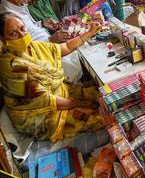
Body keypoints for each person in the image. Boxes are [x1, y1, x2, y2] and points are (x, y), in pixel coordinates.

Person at [0, 12, 104, 143]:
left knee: (101, 93)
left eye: (22, 28)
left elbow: (65, 47)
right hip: (39, 114)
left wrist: (90, 32)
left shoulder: (33, 46)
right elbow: (47, 100)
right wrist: (81, 103)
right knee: (99, 117)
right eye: (13, 33)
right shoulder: (12, 66)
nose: (22, 35)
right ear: (3, 39)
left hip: (58, 93)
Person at [0, 0, 83, 83]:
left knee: (78, 49)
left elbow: (30, 26)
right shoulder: (8, 17)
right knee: (73, 60)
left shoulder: (19, 3)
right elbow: (23, 49)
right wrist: (50, 40)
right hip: (41, 54)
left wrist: (43, 23)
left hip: (48, 41)